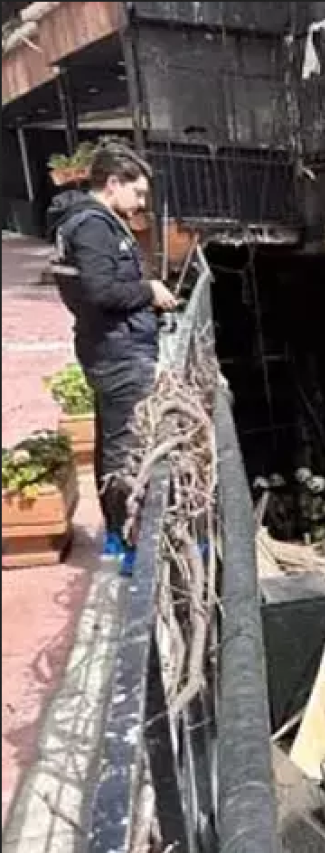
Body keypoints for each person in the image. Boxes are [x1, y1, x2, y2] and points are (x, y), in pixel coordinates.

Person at [47, 141, 178, 571]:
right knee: (128, 447)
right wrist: (149, 291)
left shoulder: (97, 222)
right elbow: (101, 292)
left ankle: (123, 536)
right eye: (137, 193)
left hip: (111, 347)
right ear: (113, 183)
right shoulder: (93, 227)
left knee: (113, 440)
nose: (141, 203)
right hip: (117, 353)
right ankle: (131, 543)